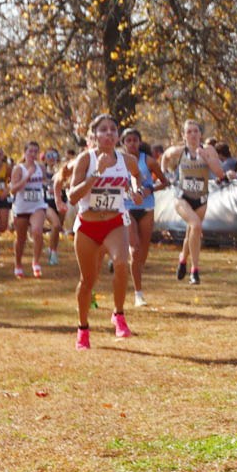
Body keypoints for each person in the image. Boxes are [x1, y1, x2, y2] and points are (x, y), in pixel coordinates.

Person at [68, 114, 145, 349]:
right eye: (103, 129)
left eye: (113, 129)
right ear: (94, 135)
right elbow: (72, 197)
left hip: (115, 222)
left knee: (122, 262)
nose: (109, 133)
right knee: (87, 281)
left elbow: (137, 176)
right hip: (88, 226)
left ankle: (118, 314)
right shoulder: (86, 159)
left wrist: (137, 191)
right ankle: (83, 329)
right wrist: (96, 173)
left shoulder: (127, 160)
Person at [161, 119, 226, 285]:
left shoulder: (209, 150)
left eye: (196, 131)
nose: (193, 135)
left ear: (200, 134)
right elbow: (166, 156)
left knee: (192, 231)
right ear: (184, 136)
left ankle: (183, 258)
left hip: (201, 199)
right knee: (196, 225)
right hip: (182, 197)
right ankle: (195, 271)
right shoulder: (179, 151)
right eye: (189, 132)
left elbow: (220, 173)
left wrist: (207, 158)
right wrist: (165, 175)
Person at [121, 128, 168, 307]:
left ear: (140, 142)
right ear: (123, 143)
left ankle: (136, 274)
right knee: (134, 248)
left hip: (146, 207)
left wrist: (150, 189)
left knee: (143, 252)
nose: (132, 143)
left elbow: (164, 182)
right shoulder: (117, 161)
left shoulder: (148, 161)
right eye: (128, 140)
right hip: (127, 208)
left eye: (135, 140)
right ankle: (138, 293)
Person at [9, 141, 51, 278]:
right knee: (21, 239)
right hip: (22, 207)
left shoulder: (41, 167)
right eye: (30, 151)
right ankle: (18, 263)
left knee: (37, 231)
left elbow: (44, 182)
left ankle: (36, 262)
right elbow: (13, 190)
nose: (33, 154)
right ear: (25, 153)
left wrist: (49, 186)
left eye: (35, 152)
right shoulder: (19, 169)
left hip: (37, 205)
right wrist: (27, 177)